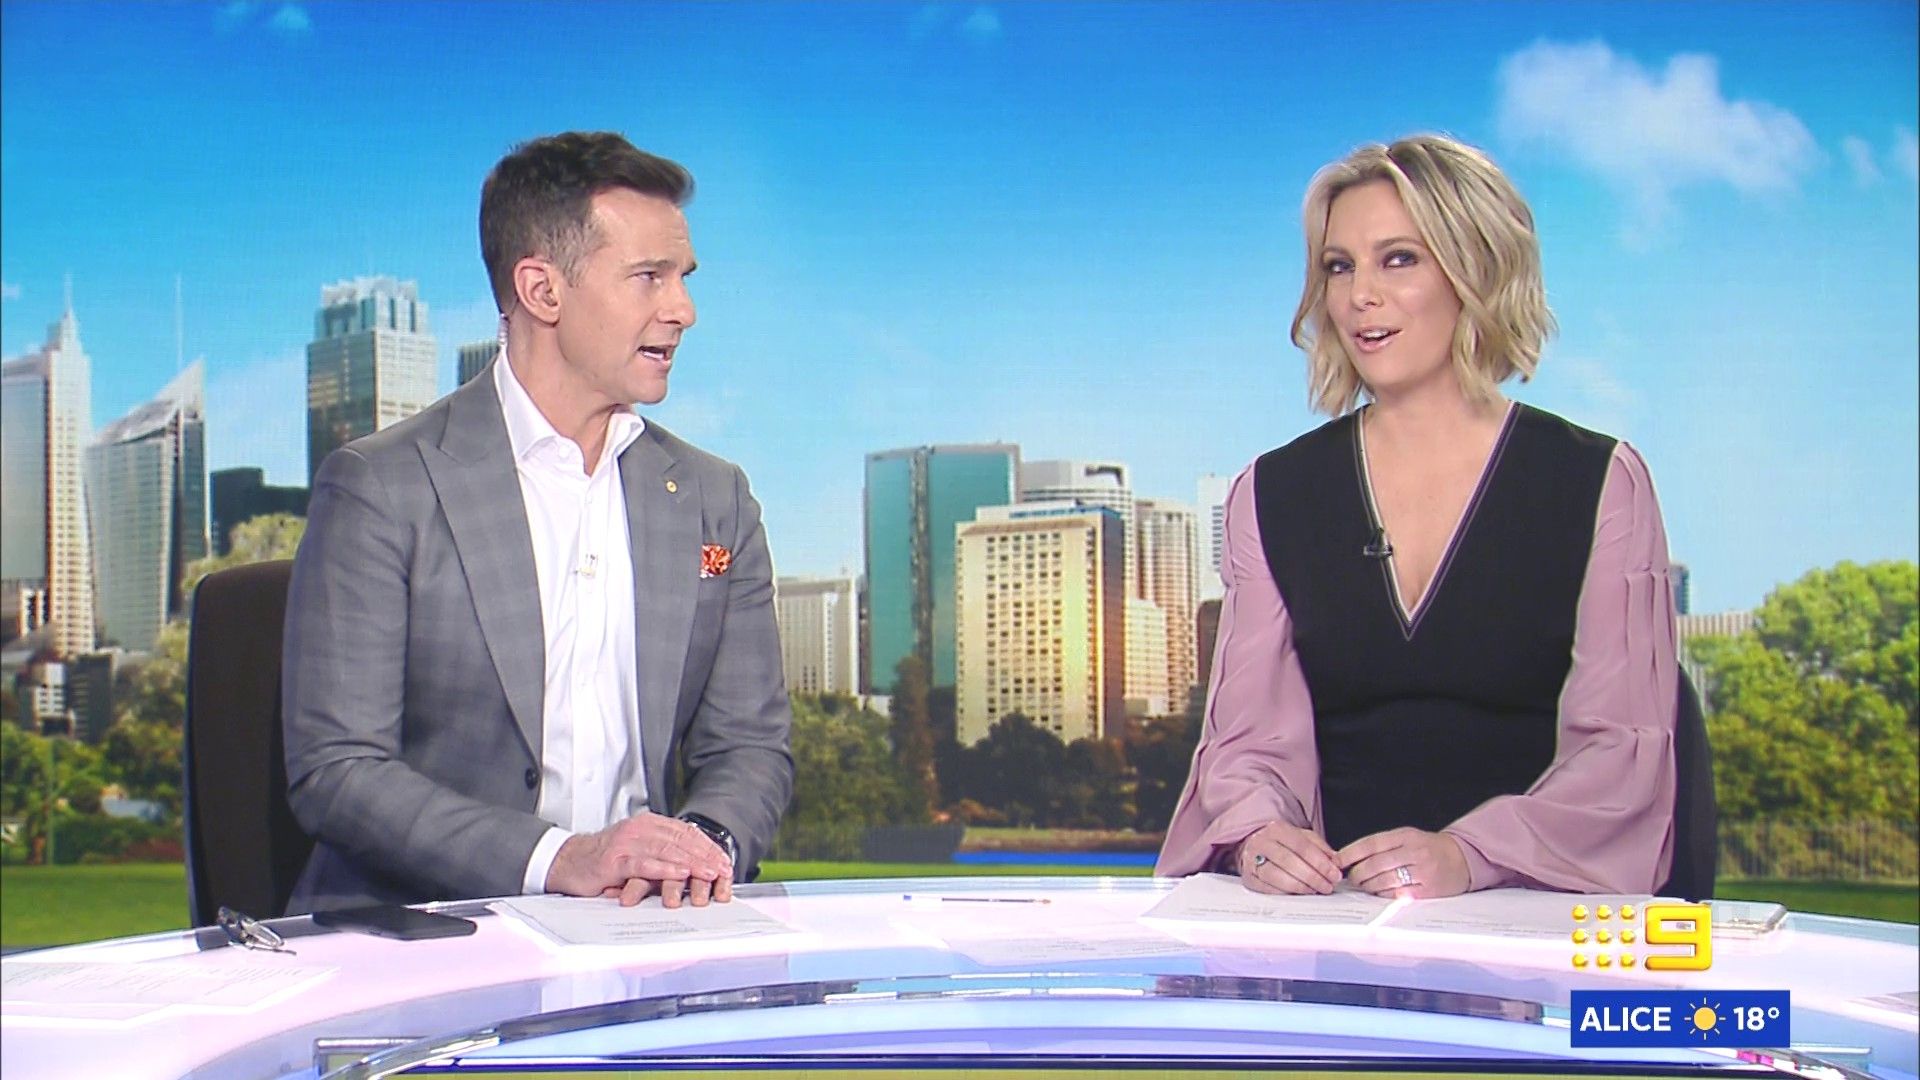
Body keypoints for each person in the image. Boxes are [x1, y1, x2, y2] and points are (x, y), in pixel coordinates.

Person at [283, 131, 794, 914]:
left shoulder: (714, 499)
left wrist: (699, 851)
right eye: (649, 277)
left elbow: (750, 748)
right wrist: (562, 859)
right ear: (542, 291)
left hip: (646, 929)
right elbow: (338, 770)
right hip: (432, 937)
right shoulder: (381, 489)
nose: (683, 310)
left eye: (683, 278)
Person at [1157, 134, 1678, 898]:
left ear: (1475, 268)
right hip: (1333, 918)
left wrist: (1469, 857)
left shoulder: (1599, 482)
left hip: (1531, 919)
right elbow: (1247, 748)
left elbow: (1621, 759)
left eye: (1398, 259)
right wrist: (1258, 835)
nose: (1358, 296)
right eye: (1340, 266)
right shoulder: (1271, 493)